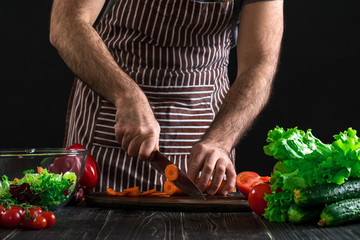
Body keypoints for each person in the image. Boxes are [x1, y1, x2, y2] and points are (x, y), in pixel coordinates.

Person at [49, 0, 283, 195]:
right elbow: (66, 23)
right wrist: (126, 96)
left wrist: (220, 141)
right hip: (109, 135)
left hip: (203, 147)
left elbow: (259, 64)